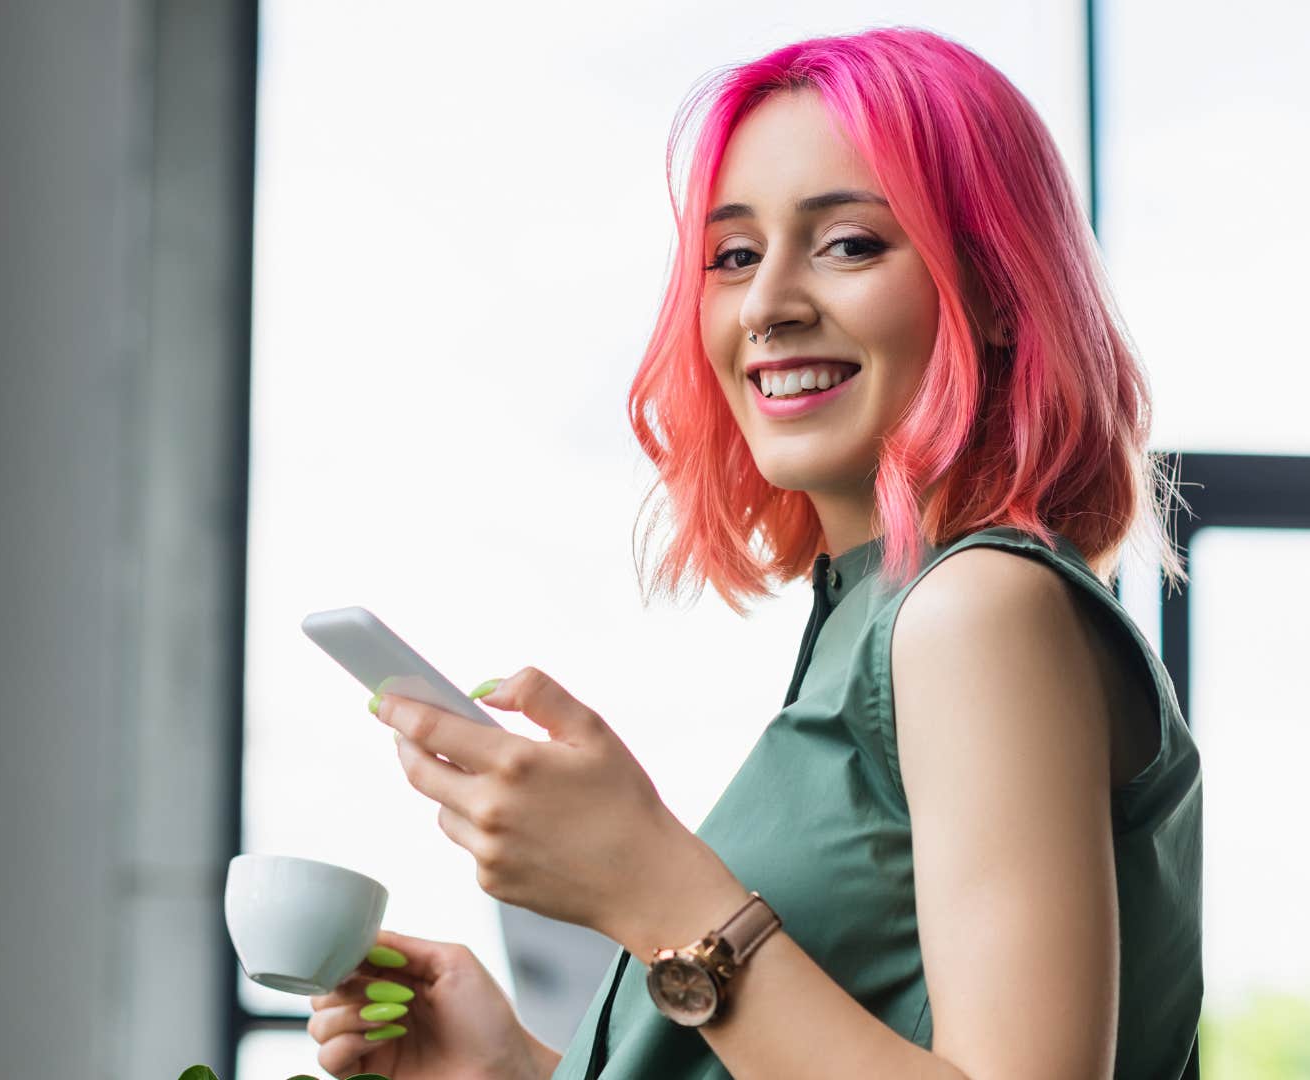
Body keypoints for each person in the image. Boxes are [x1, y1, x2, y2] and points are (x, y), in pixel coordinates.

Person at [304, 23, 1201, 1080]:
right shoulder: (879, 615)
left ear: (1000, 293)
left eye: (851, 243)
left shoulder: (977, 609)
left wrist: (648, 884)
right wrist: (518, 1070)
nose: (768, 305)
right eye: (733, 256)